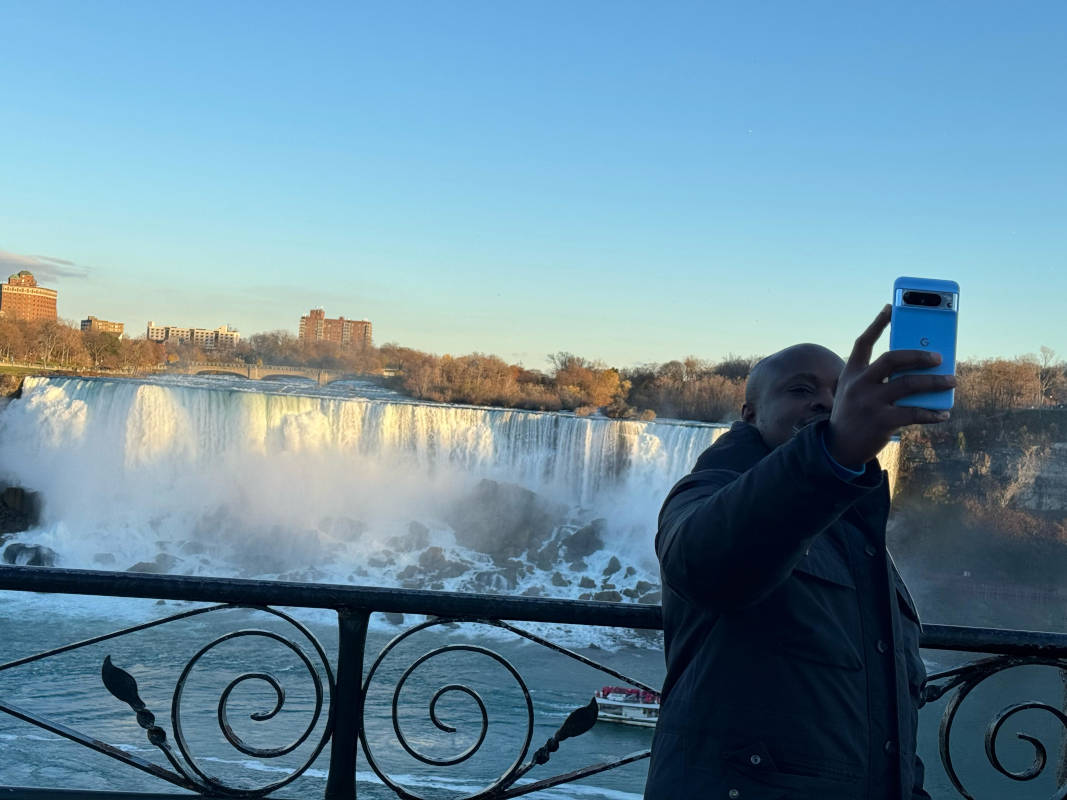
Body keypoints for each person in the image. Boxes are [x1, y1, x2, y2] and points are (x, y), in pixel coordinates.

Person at [644, 306, 952, 800]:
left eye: (838, 391)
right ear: (749, 412)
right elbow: (700, 563)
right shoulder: (713, 486)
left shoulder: (857, 531)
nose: (824, 403)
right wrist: (832, 454)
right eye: (801, 390)